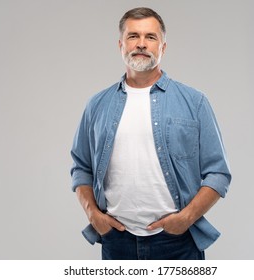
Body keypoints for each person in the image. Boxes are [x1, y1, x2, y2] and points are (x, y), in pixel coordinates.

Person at [70, 7, 231, 260]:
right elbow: (81, 166)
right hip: (116, 242)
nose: (141, 44)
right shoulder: (97, 105)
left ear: (163, 47)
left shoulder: (194, 102)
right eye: (133, 36)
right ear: (121, 44)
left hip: (178, 242)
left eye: (151, 37)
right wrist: (93, 214)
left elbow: (218, 173)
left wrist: (186, 219)